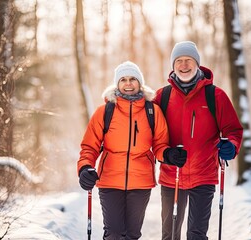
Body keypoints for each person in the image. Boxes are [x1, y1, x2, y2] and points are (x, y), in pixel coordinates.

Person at [77, 61, 187, 240]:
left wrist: (168, 155)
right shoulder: (105, 111)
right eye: (123, 80)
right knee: (113, 234)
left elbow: (160, 144)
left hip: (141, 182)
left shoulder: (153, 111)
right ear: (117, 84)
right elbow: (89, 146)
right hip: (109, 182)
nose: (128, 83)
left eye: (133, 79)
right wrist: (84, 168)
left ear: (140, 83)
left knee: (132, 234)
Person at [153, 41, 244, 240]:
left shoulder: (215, 95)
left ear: (197, 64)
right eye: (179, 61)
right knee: (169, 234)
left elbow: (233, 130)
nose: (184, 65)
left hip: (204, 176)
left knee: (196, 234)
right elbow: (150, 133)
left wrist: (231, 145)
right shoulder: (162, 96)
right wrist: (166, 154)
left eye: (188, 60)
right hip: (172, 176)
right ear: (173, 65)